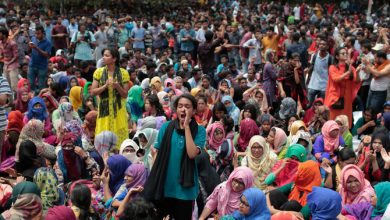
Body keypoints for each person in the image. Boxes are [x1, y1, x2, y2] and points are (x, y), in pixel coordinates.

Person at [143, 94, 206, 220]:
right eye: (180, 106)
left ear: (194, 111)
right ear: (176, 109)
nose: (183, 109)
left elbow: (192, 153)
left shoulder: (199, 131)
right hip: (165, 185)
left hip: (184, 189)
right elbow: (158, 154)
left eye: (187, 107)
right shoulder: (166, 127)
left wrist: (187, 126)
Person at [90, 48, 130, 149]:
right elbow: (93, 92)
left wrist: (117, 86)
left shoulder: (123, 73)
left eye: (107, 55)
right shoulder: (98, 72)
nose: (104, 57)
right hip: (104, 111)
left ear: (114, 59)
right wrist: (105, 86)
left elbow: (125, 95)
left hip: (119, 111)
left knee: (119, 142)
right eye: (103, 55)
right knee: (104, 140)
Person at [324, 47, 362, 128]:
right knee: (334, 121)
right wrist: (348, 72)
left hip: (347, 98)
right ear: (337, 57)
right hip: (335, 98)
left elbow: (357, 81)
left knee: (345, 121)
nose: (345, 55)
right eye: (343, 53)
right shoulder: (332, 67)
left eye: (346, 53)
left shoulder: (351, 67)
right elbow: (336, 79)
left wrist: (358, 72)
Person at [28, 25, 51, 94]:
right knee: (31, 83)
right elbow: (29, 50)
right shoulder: (33, 38)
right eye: (36, 33)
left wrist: (36, 48)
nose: (36, 35)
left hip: (42, 67)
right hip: (32, 65)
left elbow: (46, 55)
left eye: (38, 34)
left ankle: (40, 99)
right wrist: (30, 47)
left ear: (43, 34)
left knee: (41, 86)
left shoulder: (48, 42)